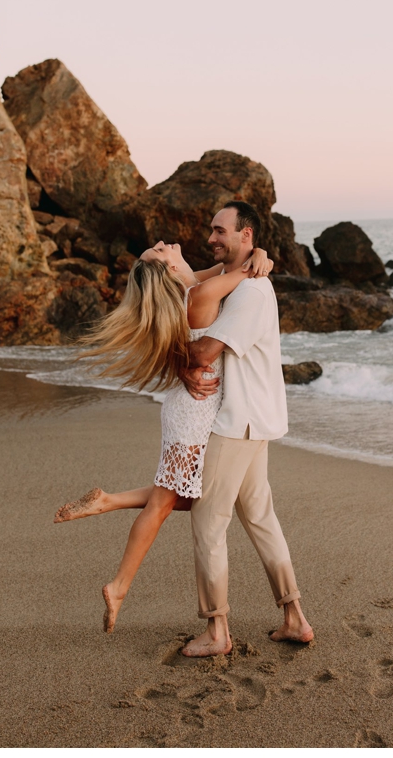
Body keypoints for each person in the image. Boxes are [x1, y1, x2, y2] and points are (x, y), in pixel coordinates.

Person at [55, 237, 273, 633]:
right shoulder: (202, 292)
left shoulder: (192, 286)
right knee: (164, 504)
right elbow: (247, 272)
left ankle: (107, 501)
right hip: (194, 413)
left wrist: (252, 259)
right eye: (158, 251)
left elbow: (225, 272)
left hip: (190, 408)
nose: (161, 243)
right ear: (170, 269)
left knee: (188, 498)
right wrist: (258, 257)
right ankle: (119, 586)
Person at [175, 202, 313, 657]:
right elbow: (196, 280)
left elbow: (205, 352)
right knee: (260, 518)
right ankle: (294, 617)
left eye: (221, 230)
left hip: (238, 422)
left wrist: (182, 362)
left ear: (246, 235)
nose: (212, 237)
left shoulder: (252, 292)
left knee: (208, 521)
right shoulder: (236, 279)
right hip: (254, 420)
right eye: (211, 229)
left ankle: (217, 630)